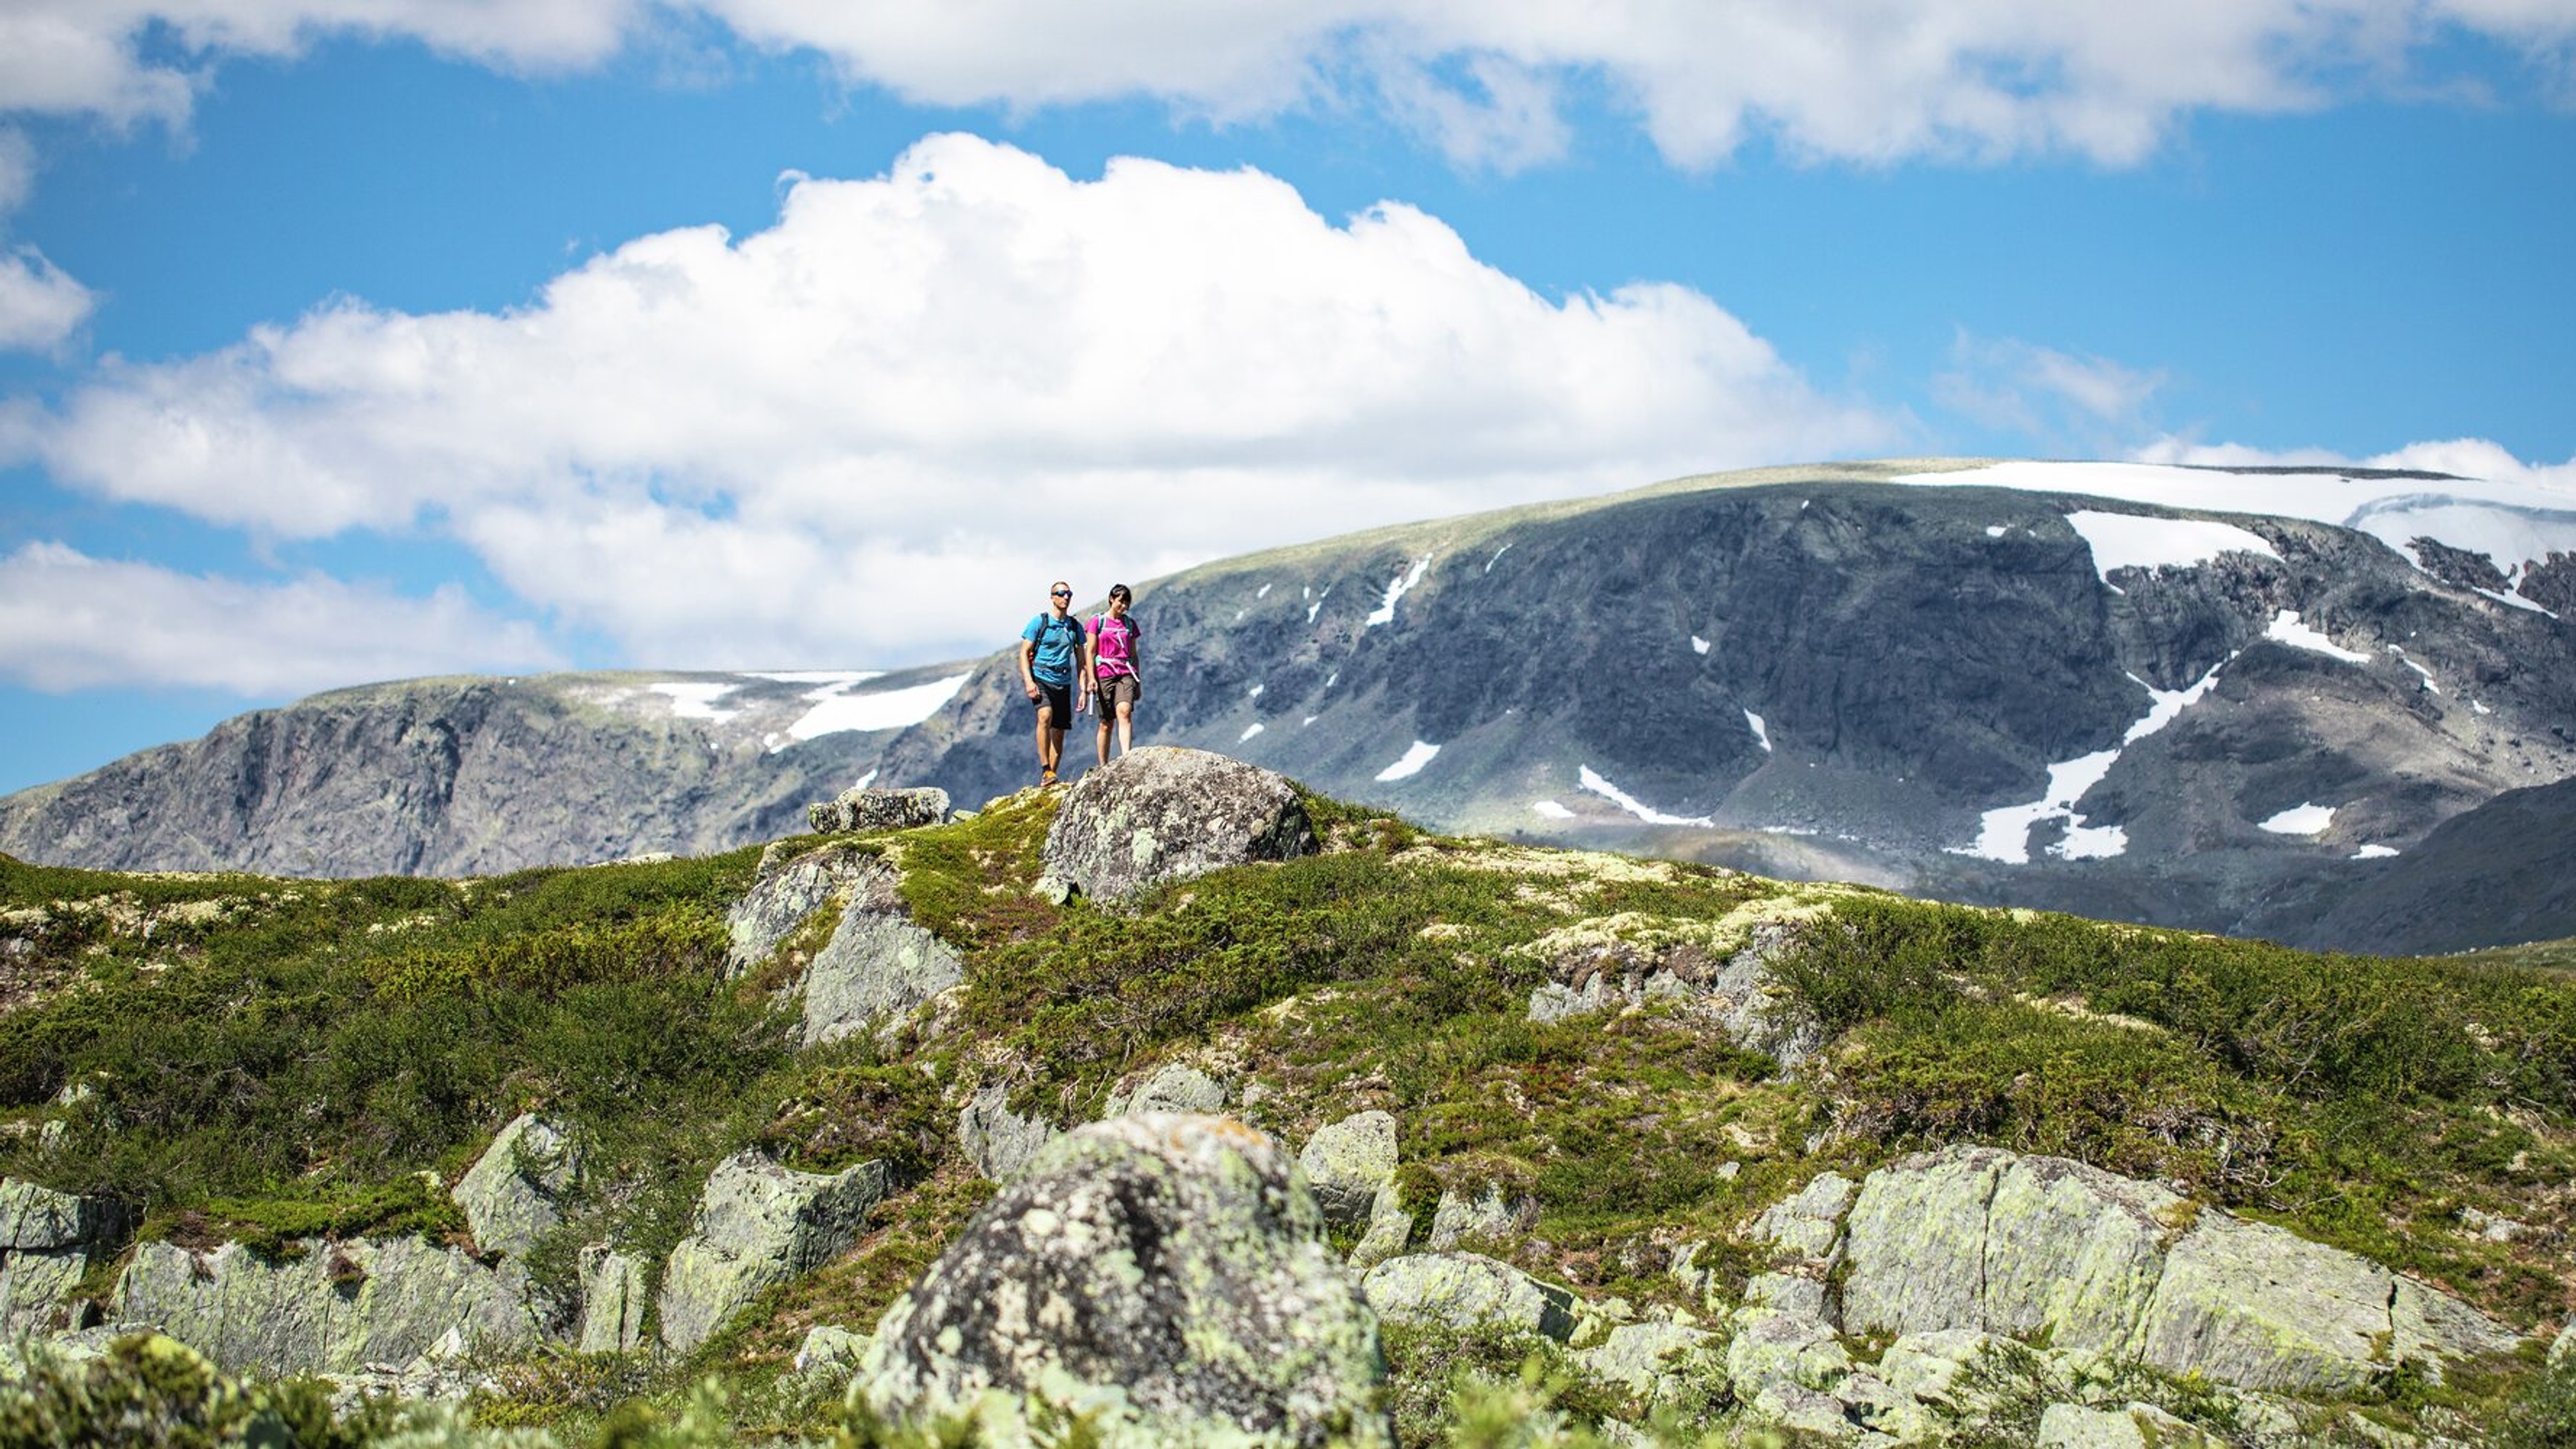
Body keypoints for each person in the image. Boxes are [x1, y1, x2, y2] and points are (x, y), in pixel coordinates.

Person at [1018, 581, 1091, 786]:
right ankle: (1046, 769)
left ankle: (1049, 778)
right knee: (1045, 715)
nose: (1066, 597)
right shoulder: (1039, 622)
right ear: (1052, 597)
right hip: (1041, 677)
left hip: (1064, 681)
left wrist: (1083, 690)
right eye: (1061, 593)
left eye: (1069, 594)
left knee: (1059, 731)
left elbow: (1082, 662)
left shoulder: (1075, 627)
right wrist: (1029, 681)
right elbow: (1023, 653)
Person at [1086, 583, 1142, 766]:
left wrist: (1138, 682)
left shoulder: (1129, 624)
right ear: (1111, 599)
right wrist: (1091, 678)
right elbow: (1091, 651)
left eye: (1127, 603)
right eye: (1120, 601)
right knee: (1106, 722)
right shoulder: (1097, 622)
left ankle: (1126, 758)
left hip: (1125, 673)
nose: (1124, 606)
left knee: (1124, 712)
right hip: (1104, 673)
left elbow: (1134, 655)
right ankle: (1103, 765)